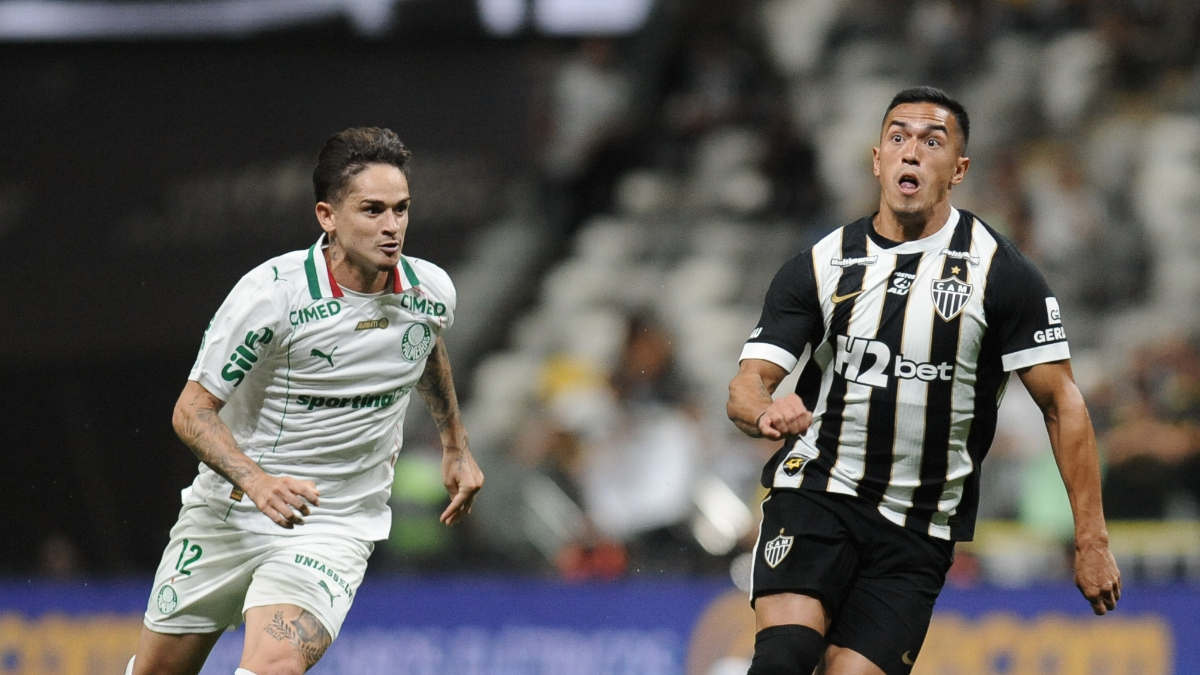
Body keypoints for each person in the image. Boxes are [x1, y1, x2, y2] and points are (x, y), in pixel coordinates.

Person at [726, 87, 1120, 675]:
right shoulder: (821, 264)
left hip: (919, 528)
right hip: (817, 493)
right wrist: (764, 411)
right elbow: (746, 384)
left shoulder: (1002, 273)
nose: (911, 152)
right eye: (898, 138)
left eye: (932, 142)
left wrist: (1092, 540)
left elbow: (1063, 403)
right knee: (786, 657)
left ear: (958, 169)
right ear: (877, 159)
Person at [127, 127, 484, 675]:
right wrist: (258, 482)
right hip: (229, 513)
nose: (392, 226)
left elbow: (425, 348)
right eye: (372, 210)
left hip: (333, 522)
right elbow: (191, 411)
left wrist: (455, 445)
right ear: (327, 216)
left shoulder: (430, 291)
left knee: (276, 666)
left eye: (401, 209)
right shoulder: (270, 296)